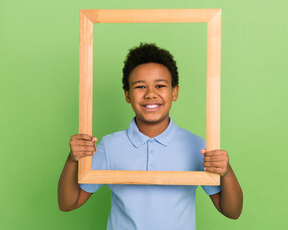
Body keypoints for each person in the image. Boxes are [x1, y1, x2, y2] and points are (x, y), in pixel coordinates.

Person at [58, 43, 243, 229]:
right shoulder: (109, 146)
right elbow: (68, 203)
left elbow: (232, 211)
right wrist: (72, 160)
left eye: (160, 85)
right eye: (140, 87)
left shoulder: (196, 146)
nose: (150, 94)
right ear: (128, 95)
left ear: (174, 92)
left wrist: (227, 172)